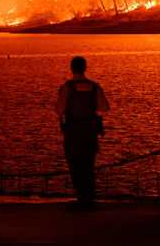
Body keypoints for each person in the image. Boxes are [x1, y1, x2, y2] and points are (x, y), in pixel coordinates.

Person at [55, 56, 110, 209]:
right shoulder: (94, 86)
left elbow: (59, 110)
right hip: (89, 132)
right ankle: (89, 197)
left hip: (73, 132)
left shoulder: (67, 87)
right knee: (88, 164)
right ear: (85, 68)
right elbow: (104, 108)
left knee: (75, 164)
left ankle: (81, 197)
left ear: (72, 68)